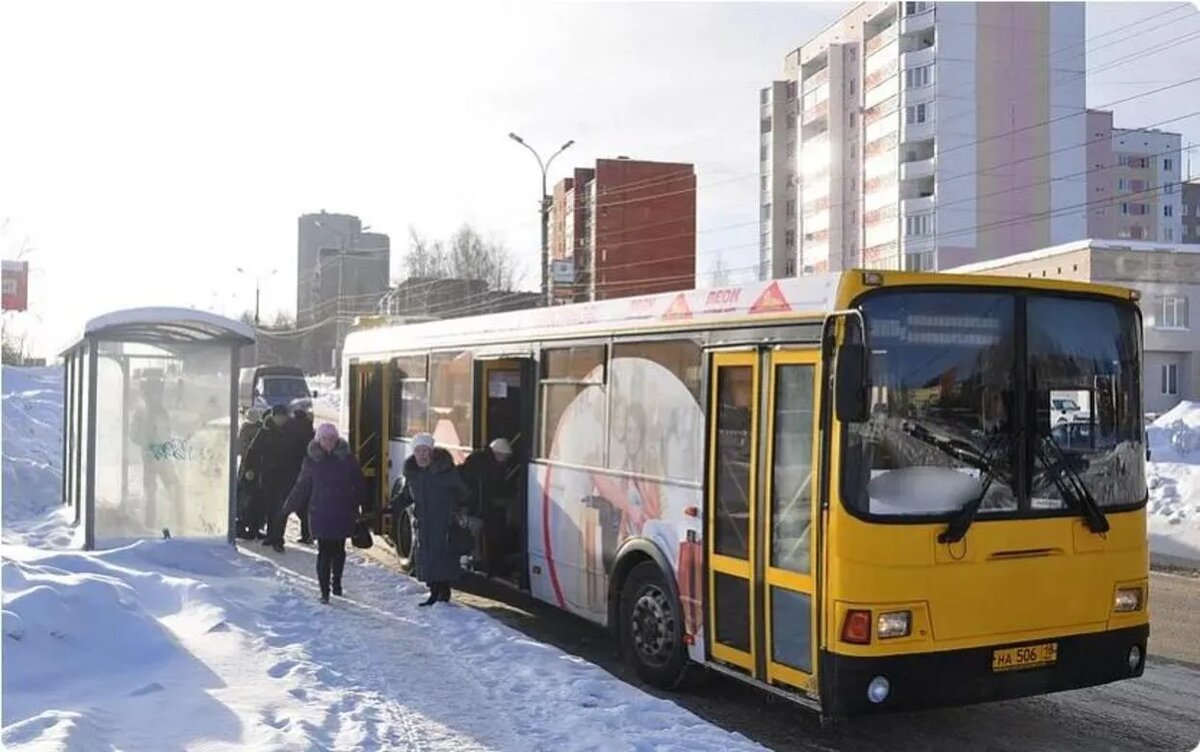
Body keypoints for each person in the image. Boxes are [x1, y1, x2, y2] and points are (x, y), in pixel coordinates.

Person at [279, 423, 366, 603]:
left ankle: (337, 583)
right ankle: (324, 591)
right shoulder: (312, 461)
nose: (328, 442)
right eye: (325, 439)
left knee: (339, 550)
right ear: (318, 440)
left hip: (342, 511)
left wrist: (359, 505)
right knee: (324, 552)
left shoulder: (347, 459)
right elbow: (301, 487)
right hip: (321, 512)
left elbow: (359, 484)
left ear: (337, 440)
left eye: (332, 438)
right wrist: (287, 508)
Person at [390, 432, 468, 606]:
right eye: (418, 451)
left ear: (431, 452)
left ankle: (443, 593)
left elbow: (463, 492)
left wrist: (454, 507)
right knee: (427, 557)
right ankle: (434, 592)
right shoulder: (414, 474)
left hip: (443, 522)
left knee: (442, 557)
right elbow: (406, 495)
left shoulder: (445, 471)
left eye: (425, 451)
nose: (422, 455)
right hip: (424, 523)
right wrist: (391, 506)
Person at [459, 438, 517, 574]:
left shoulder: (487, 463)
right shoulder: (483, 465)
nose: (505, 460)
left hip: (481, 506)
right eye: (504, 456)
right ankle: (478, 560)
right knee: (480, 527)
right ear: (497, 453)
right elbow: (483, 489)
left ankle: (488, 561)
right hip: (473, 507)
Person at [243, 405, 294, 553]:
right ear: (273, 417)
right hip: (267, 476)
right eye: (277, 416)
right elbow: (252, 451)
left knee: (281, 508)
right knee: (269, 507)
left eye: (282, 417)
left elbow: (297, 453)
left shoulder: (291, 432)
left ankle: (278, 538)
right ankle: (270, 535)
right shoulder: (265, 431)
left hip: (285, 476)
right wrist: (250, 469)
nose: (280, 419)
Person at [130, 377, 177, 532]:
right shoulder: (142, 411)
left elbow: (166, 432)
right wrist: (148, 443)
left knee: (173, 488)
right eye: (157, 392)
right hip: (151, 457)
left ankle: (173, 522)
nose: (159, 395)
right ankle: (150, 526)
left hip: (162, 456)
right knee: (151, 492)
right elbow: (134, 434)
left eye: (159, 392)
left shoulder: (160, 410)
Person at [283, 404, 317, 544]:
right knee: (306, 507)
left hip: (291, 470)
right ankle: (308, 534)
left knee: (286, 503)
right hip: (306, 469)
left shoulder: (289, 429)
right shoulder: (310, 431)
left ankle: (277, 536)